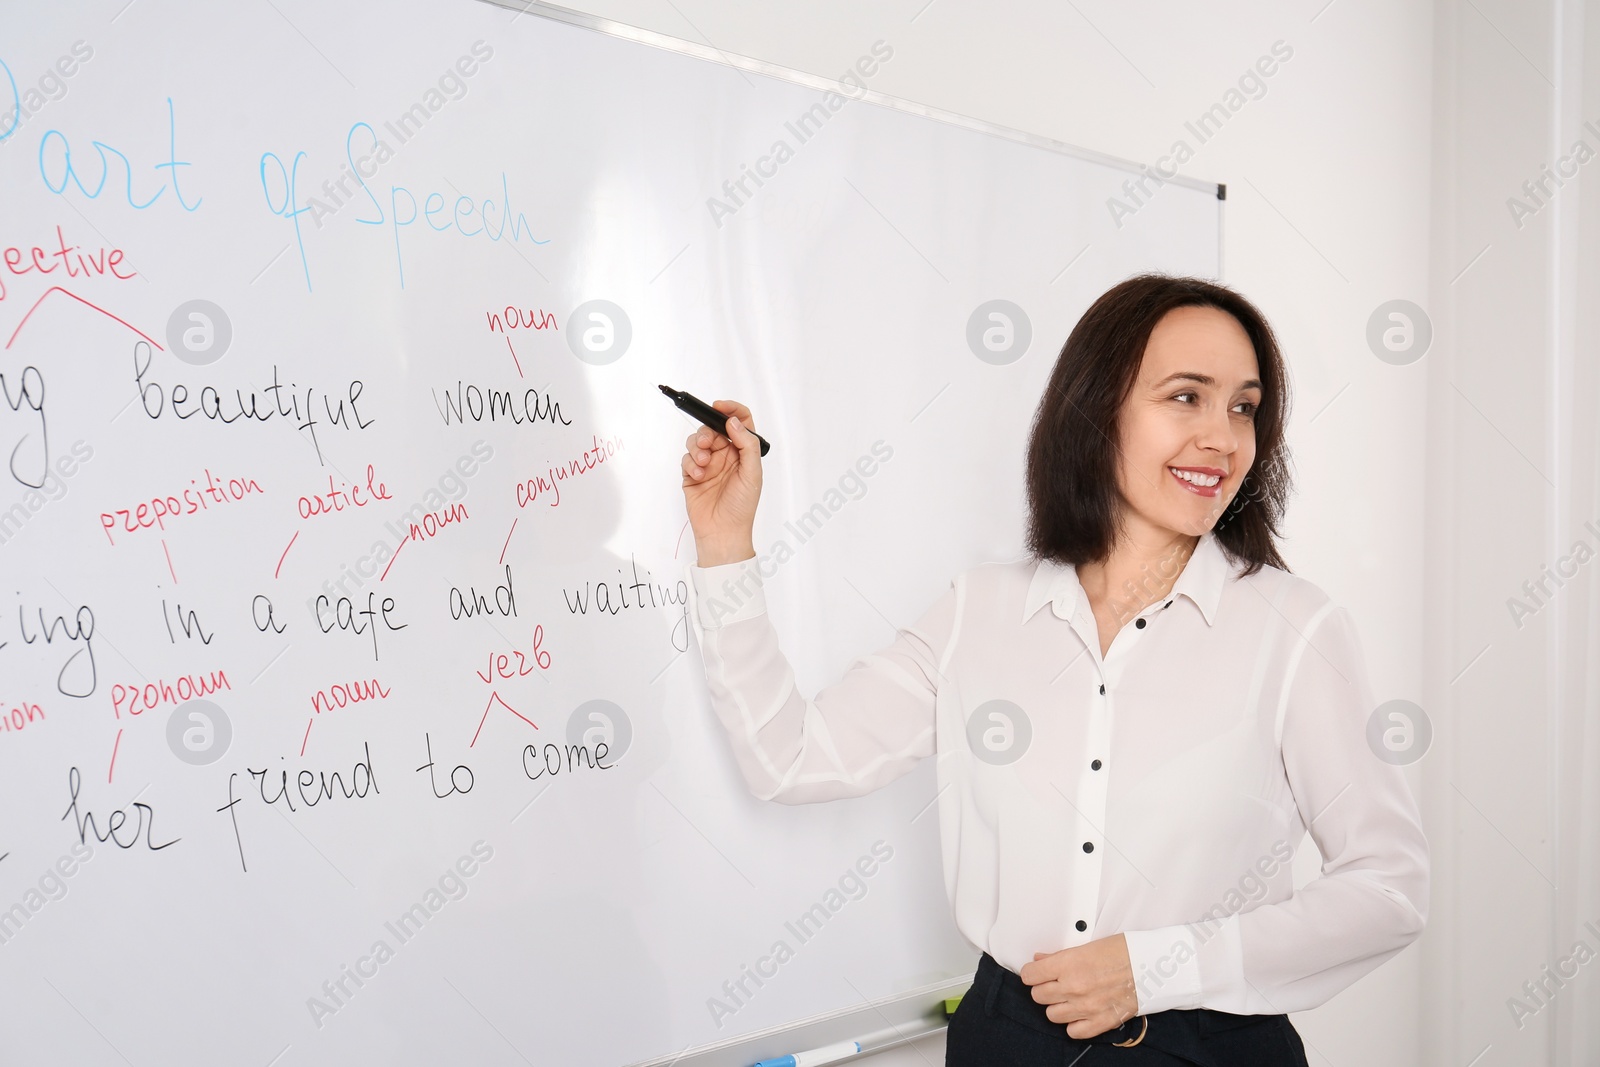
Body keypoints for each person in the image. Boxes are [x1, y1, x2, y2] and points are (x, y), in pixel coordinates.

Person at [676, 273, 1429, 1065]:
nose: (1223, 436)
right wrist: (725, 547)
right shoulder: (981, 611)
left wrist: (1156, 967)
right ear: (1097, 410)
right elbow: (789, 757)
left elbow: (1389, 887)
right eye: (1186, 397)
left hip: (1207, 1047)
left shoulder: (1295, 629)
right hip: (1007, 1039)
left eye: (1244, 406)